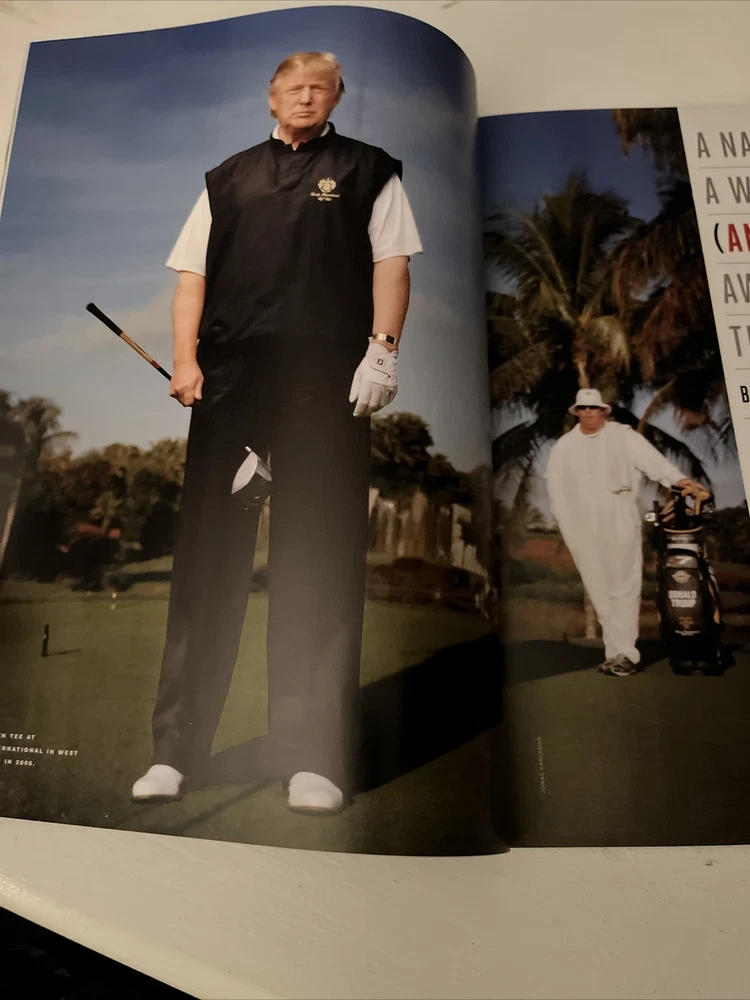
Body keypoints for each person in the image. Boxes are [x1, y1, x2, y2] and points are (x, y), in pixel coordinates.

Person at [131, 51, 422, 812]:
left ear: (336, 98)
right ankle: (174, 753)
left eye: (320, 88)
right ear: (271, 96)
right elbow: (192, 279)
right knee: (208, 557)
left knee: (318, 555)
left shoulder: (369, 170)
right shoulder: (226, 178)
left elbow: (392, 265)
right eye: (294, 87)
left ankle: (314, 756)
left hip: (327, 382)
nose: (306, 97)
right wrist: (186, 361)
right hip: (232, 385)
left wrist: (382, 352)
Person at [545, 388, 704, 677]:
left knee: (623, 584)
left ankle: (627, 654)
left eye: (593, 408)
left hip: (617, 511)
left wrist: (680, 480)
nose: (588, 413)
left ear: (603, 411)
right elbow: (555, 488)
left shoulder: (623, 436)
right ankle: (614, 653)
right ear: (576, 412)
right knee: (597, 586)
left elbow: (655, 464)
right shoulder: (564, 446)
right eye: (583, 408)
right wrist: (565, 520)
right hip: (579, 519)